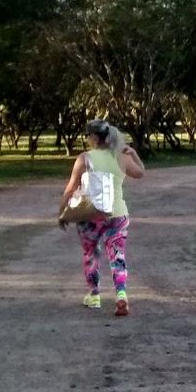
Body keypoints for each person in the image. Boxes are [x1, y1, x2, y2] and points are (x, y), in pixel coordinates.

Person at [58, 120, 146, 316]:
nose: (87, 139)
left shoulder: (84, 158)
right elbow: (141, 173)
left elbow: (71, 188)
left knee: (91, 253)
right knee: (117, 255)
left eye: (88, 135)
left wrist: (62, 212)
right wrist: (134, 154)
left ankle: (94, 294)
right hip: (117, 214)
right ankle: (121, 293)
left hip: (91, 214)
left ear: (95, 137)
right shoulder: (121, 158)